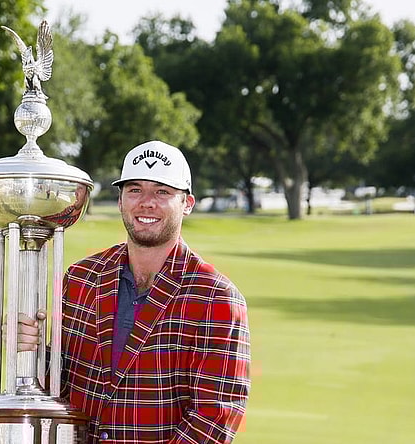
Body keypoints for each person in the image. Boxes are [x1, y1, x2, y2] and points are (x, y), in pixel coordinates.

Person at [18, 140, 251, 443]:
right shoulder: (81, 278)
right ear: (120, 200)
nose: (147, 202)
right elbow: (61, 383)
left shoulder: (216, 297)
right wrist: (32, 351)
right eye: (135, 189)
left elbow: (215, 417)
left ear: (187, 204)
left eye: (162, 191)